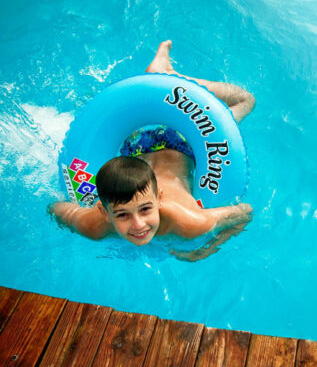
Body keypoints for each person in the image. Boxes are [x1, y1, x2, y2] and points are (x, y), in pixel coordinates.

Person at [51, 40, 255, 260]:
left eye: (146, 209)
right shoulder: (93, 225)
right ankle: (160, 77)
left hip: (182, 145)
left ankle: (169, 77)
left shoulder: (190, 222)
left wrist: (205, 250)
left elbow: (244, 213)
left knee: (246, 100)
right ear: (104, 212)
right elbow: (56, 209)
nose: (138, 224)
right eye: (121, 215)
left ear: (160, 199)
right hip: (134, 150)